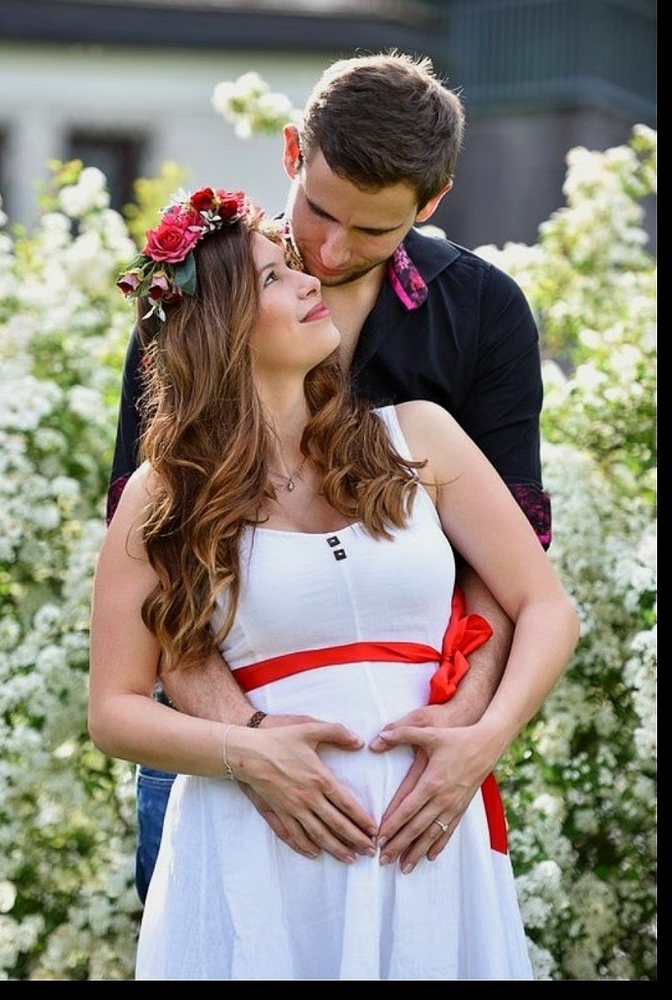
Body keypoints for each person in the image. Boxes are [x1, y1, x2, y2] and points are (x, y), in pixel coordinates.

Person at [88, 184, 579, 980]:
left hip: (430, 839)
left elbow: (546, 608)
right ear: (221, 328)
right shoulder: (161, 495)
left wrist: (478, 745)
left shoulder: (417, 435)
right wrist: (247, 754)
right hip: (258, 840)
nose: (311, 278)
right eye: (275, 277)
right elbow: (113, 710)